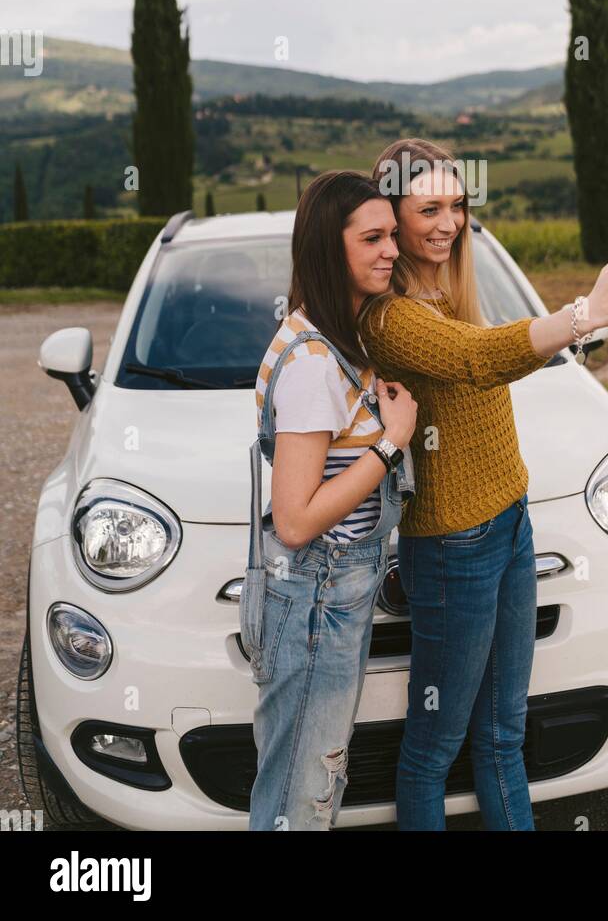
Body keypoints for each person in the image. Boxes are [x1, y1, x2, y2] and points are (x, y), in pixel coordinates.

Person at [358, 137, 608, 831]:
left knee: (502, 735)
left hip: (510, 521)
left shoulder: (449, 288)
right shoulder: (390, 317)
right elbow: (478, 359)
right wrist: (585, 314)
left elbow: (497, 356)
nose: (447, 222)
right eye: (428, 208)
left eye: (457, 206)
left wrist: (577, 325)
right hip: (451, 549)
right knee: (433, 748)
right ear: (392, 216)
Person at [242, 169, 417, 830]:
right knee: (300, 798)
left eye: (392, 235)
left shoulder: (333, 337)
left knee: (310, 780)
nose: (391, 250)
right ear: (327, 247)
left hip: (328, 598)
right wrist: (390, 443)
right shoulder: (316, 361)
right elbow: (294, 520)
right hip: (316, 602)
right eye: (372, 237)